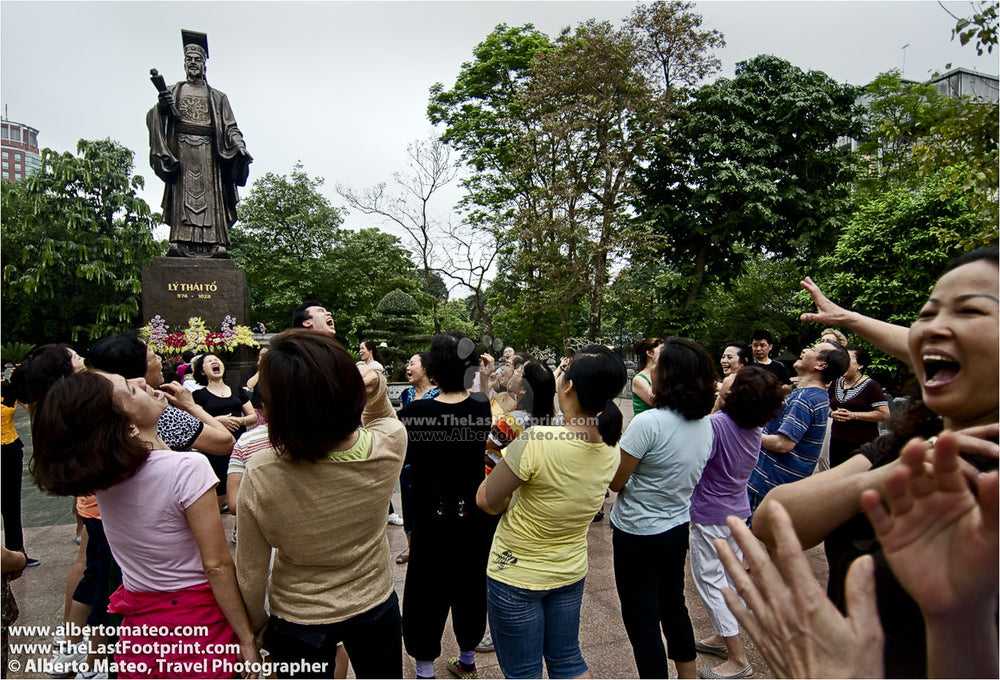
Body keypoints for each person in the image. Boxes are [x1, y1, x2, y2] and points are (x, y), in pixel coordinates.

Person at [752, 247, 999, 677]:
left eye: (970, 311)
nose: (935, 327)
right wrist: (891, 475)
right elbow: (773, 519)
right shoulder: (911, 446)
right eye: (927, 314)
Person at [31, 371, 260, 676]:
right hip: (197, 620)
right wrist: (246, 638)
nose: (142, 383)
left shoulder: (104, 476)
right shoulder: (186, 468)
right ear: (126, 425)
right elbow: (216, 565)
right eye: (131, 389)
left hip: (138, 623)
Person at [235, 330, 406, 679]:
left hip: (299, 618)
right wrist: (377, 391)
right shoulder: (388, 447)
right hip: (373, 602)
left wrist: (256, 628)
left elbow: (251, 570)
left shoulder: (262, 471)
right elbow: (385, 419)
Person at [477, 345, 626, 679]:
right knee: (568, 660)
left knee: (523, 672)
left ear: (569, 387)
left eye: (563, 372)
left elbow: (487, 501)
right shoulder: (611, 447)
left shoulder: (536, 440)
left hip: (516, 572)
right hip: (570, 571)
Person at [608, 337, 717, 679]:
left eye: (657, 364)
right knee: (673, 606)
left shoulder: (649, 423)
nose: (651, 368)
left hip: (638, 533)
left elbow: (615, 481)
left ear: (670, 375)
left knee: (642, 622)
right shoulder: (705, 424)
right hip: (676, 527)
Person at [398, 333, 494, 680]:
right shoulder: (481, 406)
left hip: (430, 514)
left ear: (434, 370)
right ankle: (467, 659)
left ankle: (425, 669)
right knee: (471, 582)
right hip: (473, 513)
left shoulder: (417, 411)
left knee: (427, 587)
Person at [688, 367, 784, 679]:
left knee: (711, 583)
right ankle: (721, 636)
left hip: (710, 515)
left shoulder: (716, 424)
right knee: (728, 579)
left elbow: (697, 460)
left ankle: (738, 659)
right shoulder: (756, 426)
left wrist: (716, 404)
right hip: (736, 512)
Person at [147, 30, 252, 258]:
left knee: (211, 198)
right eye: (189, 60)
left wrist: (239, 145)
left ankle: (216, 245)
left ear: (205, 64)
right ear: (184, 64)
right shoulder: (175, 91)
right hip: (182, 151)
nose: (193, 63)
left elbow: (230, 127)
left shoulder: (217, 97)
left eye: (198, 60)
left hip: (209, 154)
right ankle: (178, 241)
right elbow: (155, 117)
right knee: (182, 196)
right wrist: (162, 108)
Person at [745, 340, 849, 514]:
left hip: (769, 484)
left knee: (748, 536)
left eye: (813, 349)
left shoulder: (805, 399)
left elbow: (783, 444)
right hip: (782, 486)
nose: (805, 349)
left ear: (821, 365)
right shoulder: (817, 395)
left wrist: (748, 433)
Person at [192, 353, 257, 510]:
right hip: (215, 449)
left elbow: (253, 416)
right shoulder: (198, 395)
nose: (215, 361)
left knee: (244, 490)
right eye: (209, 361)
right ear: (201, 371)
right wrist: (218, 421)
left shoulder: (237, 391)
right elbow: (197, 421)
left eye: (217, 359)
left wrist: (239, 421)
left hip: (239, 446)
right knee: (218, 492)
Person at [395, 353, 440, 564]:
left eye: (412, 363)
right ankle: (411, 547)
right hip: (408, 455)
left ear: (425, 368)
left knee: (432, 500)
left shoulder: (440, 394)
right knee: (408, 500)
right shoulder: (406, 394)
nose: (408, 367)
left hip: (432, 457)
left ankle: (433, 545)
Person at [827, 344, 889, 468]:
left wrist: (854, 415)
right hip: (837, 442)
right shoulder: (835, 383)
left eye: (847, 360)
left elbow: (884, 413)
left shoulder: (871, 386)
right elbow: (826, 404)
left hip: (862, 445)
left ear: (860, 365)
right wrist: (832, 413)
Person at [712, 342, 752, 413]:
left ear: (744, 361)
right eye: (723, 357)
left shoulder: (752, 384)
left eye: (729, 357)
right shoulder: (723, 382)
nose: (724, 361)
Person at [631, 337, 663, 417]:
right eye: (662, 350)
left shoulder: (664, 374)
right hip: (645, 426)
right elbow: (657, 403)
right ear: (649, 353)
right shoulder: (639, 379)